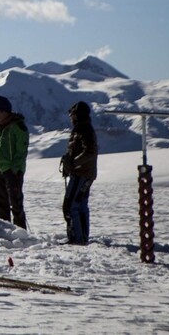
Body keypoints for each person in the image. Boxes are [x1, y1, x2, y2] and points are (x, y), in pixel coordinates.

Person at [60, 101, 98, 245]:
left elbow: (90, 152)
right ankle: (81, 237)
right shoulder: (83, 129)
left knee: (70, 206)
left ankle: (76, 238)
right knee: (80, 205)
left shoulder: (83, 130)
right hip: (85, 174)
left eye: (72, 114)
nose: (71, 117)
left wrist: (73, 164)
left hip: (81, 174)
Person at [0, 95, 29, 229]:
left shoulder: (17, 127)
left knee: (16, 204)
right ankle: (5, 231)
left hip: (13, 172)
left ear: (4, 111)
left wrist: (15, 169)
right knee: (1, 203)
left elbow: (21, 151)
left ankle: (20, 232)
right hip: (0, 169)